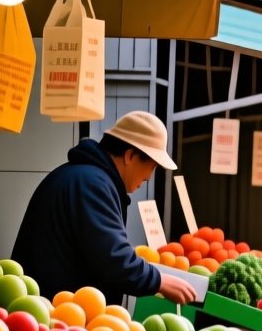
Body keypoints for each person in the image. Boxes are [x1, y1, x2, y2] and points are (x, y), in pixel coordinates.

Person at [12, 111, 195, 304]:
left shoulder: (85, 177)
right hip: (55, 315)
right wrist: (158, 281)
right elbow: (113, 258)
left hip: (56, 310)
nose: (149, 176)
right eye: (152, 166)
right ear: (130, 155)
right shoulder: (92, 184)